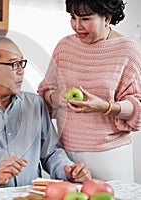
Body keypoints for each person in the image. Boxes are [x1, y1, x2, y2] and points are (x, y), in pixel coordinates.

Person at [0, 36, 91, 189]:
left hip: (31, 197)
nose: (21, 71)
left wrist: (68, 170)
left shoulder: (35, 104)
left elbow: (51, 153)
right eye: (14, 64)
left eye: (22, 63)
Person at [38, 0, 141, 183]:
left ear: (107, 18)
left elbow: (136, 105)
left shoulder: (127, 50)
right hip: (67, 154)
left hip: (110, 156)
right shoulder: (64, 47)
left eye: (85, 19)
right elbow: (45, 93)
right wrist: (57, 98)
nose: (77, 26)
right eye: (73, 17)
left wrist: (104, 107)